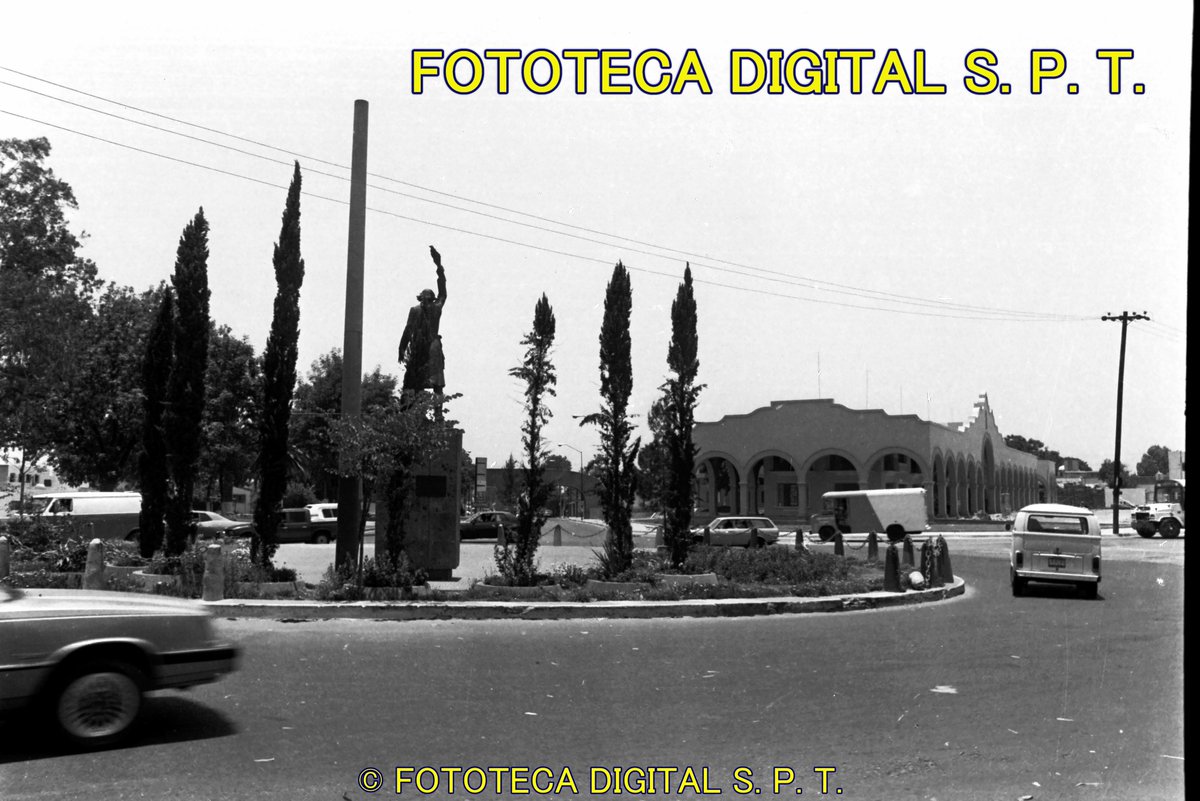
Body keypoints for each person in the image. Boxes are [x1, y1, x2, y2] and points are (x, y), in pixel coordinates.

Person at [397, 246, 447, 393]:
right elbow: (443, 293)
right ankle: (435, 415)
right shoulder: (435, 306)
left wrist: (401, 348)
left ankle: (420, 412)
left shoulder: (418, 309)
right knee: (434, 382)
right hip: (429, 346)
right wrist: (439, 266)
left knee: (420, 380)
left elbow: (408, 330)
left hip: (424, 347)